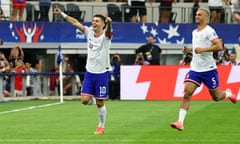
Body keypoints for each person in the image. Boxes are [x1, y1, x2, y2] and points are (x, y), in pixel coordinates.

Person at [170, 8, 237, 131]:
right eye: (196, 14)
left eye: (199, 15)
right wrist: (189, 50)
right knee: (187, 93)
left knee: (216, 97)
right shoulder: (195, 32)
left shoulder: (209, 31)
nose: (197, 16)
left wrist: (203, 50)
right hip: (195, 69)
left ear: (206, 18)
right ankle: (180, 122)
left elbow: (219, 46)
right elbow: (197, 47)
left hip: (209, 70)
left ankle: (228, 93)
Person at [54, 7, 113, 135]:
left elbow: (108, 32)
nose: (94, 22)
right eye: (93, 20)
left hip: (102, 74)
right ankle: (92, 98)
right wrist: (62, 14)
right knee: (84, 100)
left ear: (103, 24)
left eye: (97, 21)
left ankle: (101, 127)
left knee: (100, 102)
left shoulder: (106, 37)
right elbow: (75, 22)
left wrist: (110, 23)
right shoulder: (89, 32)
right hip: (90, 73)